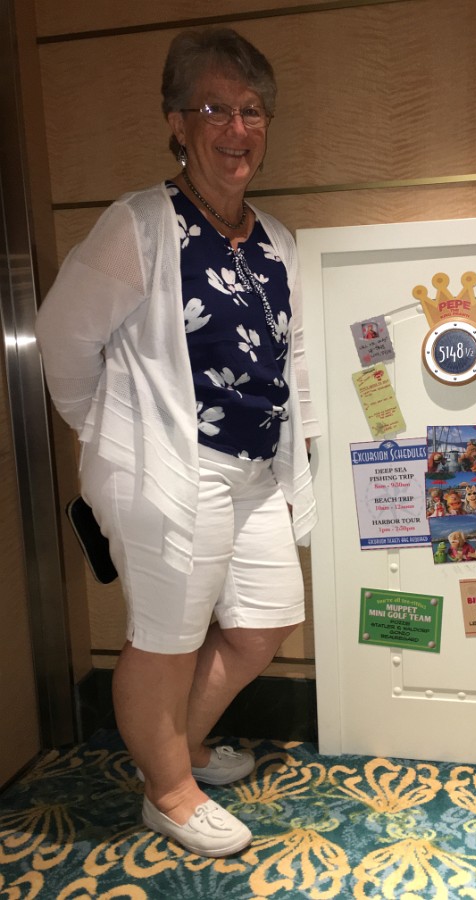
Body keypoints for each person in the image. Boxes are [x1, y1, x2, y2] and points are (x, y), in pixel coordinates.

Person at [35, 26, 319, 859]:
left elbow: (294, 354)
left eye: (252, 111)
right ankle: (168, 791)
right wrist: (110, 435)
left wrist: (302, 451)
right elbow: (61, 340)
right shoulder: (139, 225)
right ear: (176, 123)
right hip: (169, 466)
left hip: (256, 470)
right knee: (165, 636)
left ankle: (175, 747)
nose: (237, 129)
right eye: (214, 110)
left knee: (263, 621)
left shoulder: (276, 240)